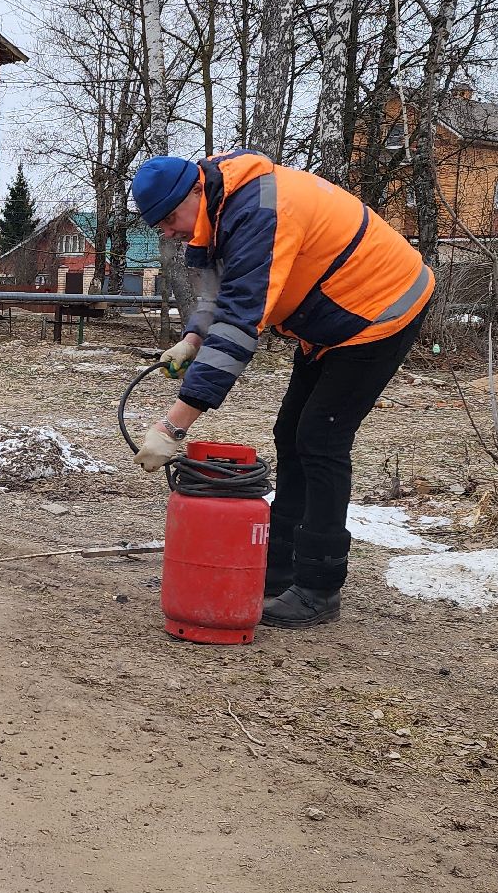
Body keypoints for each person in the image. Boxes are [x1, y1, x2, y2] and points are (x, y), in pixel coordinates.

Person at [129, 151, 432, 628]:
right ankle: (281, 568)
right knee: (291, 431)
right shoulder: (215, 207)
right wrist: (191, 340)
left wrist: (172, 426)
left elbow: (239, 324)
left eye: (169, 218)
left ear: (194, 191)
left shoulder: (256, 212)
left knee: (320, 437)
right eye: (158, 224)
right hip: (329, 320)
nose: (168, 230)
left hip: (381, 308)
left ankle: (318, 586)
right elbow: (216, 294)